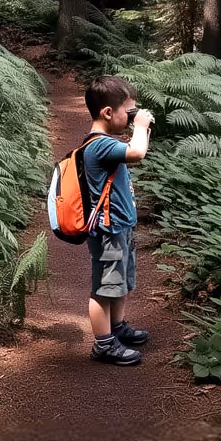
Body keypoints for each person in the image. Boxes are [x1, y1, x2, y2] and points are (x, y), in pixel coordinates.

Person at [78, 76, 153, 365]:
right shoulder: (98, 145)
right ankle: (104, 344)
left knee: (119, 283)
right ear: (108, 112)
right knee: (104, 289)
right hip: (108, 230)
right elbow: (137, 152)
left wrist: (140, 127)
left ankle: (117, 328)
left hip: (120, 227)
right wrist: (141, 126)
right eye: (129, 112)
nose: (132, 117)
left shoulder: (106, 143)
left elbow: (136, 148)